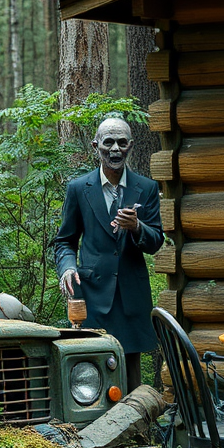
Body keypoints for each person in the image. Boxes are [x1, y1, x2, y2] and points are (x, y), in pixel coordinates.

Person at [54, 116, 164, 391]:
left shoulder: (146, 188)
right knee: (93, 374)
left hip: (131, 296)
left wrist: (137, 227)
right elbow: (64, 241)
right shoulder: (79, 189)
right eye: (109, 142)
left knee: (131, 377)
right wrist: (67, 268)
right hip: (92, 295)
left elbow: (155, 242)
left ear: (131, 146)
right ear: (96, 146)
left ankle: (137, 432)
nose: (115, 149)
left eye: (122, 143)